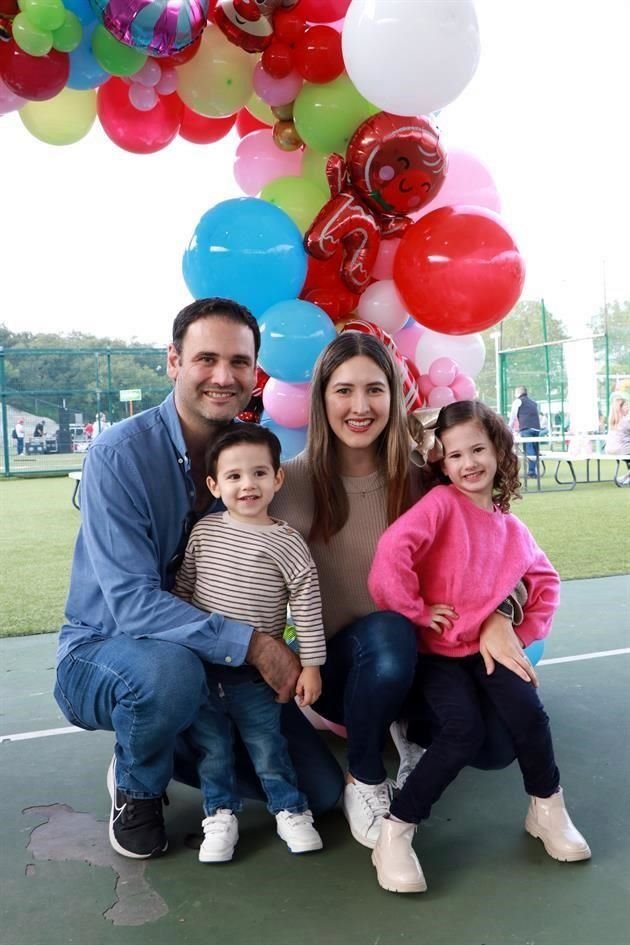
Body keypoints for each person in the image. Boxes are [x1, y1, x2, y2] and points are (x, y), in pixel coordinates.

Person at [54, 298, 343, 861]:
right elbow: (135, 607)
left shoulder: (252, 455)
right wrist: (257, 644)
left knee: (322, 794)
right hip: (109, 651)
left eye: (239, 362)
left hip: (221, 665)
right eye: (205, 358)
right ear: (173, 362)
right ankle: (137, 785)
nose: (223, 375)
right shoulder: (119, 454)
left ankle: (163, 735)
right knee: (170, 674)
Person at [270, 333, 535, 850]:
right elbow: (238, 569)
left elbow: (509, 555)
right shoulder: (289, 485)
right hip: (345, 671)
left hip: (425, 663)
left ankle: (409, 728)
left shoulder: (426, 481)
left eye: (375, 389)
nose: (360, 406)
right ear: (322, 399)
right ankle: (365, 778)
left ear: (395, 397)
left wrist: (501, 612)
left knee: (498, 743)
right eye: (344, 391)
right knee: (389, 631)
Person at [368, 400, 591, 894]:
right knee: (462, 731)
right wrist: (415, 611)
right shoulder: (441, 505)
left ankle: (546, 809)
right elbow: (392, 551)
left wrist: (521, 633)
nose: (468, 463)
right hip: (437, 656)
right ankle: (396, 831)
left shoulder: (512, 527)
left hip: (486, 654)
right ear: (441, 464)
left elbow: (547, 582)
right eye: (454, 455)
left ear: (498, 450)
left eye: (478, 449)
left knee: (529, 715)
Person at [173, 423, 326, 862]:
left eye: (259, 473)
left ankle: (290, 810)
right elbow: (183, 594)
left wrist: (311, 664)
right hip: (204, 672)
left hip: (257, 678)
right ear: (214, 484)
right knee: (213, 750)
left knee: (267, 747)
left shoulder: (287, 542)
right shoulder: (204, 533)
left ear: (278, 479)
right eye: (234, 476)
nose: (247, 485)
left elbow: (308, 605)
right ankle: (219, 815)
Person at [509, 385, 542, 477]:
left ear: (518, 392)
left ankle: (531, 472)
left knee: (529, 449)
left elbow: (513, 416)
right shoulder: (534, 403)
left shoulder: (518, 401)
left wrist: (509, 428)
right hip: (536, 428)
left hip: (526, 428)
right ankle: (533, 470)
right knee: (535, 450)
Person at [605, 391, 630, 484]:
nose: (628, 407)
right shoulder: (626, 420)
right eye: (626, 405)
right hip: (621, 450)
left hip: (610, 450)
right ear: (621, 408)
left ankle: (627, 476)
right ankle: (628, 476)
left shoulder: (612, 420)